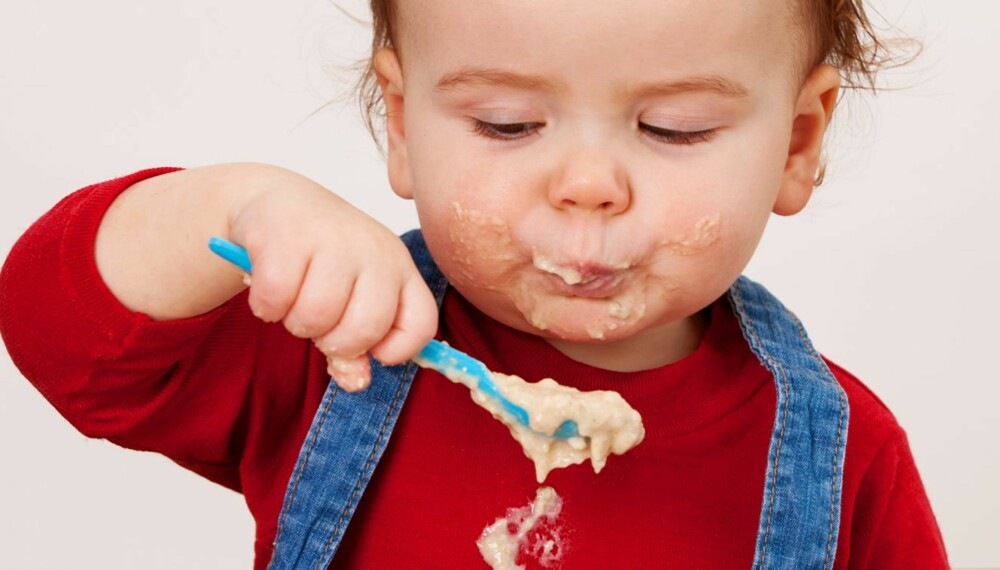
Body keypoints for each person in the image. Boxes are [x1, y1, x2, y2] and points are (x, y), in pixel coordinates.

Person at [0, 0, 948, 568]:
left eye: (674, 128)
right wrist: (234, 207)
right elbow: (56, 330)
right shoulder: (342, 345)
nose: (587, 186)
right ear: (405, 126)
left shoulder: (841, 455)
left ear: (796, 142)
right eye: (504, 123)